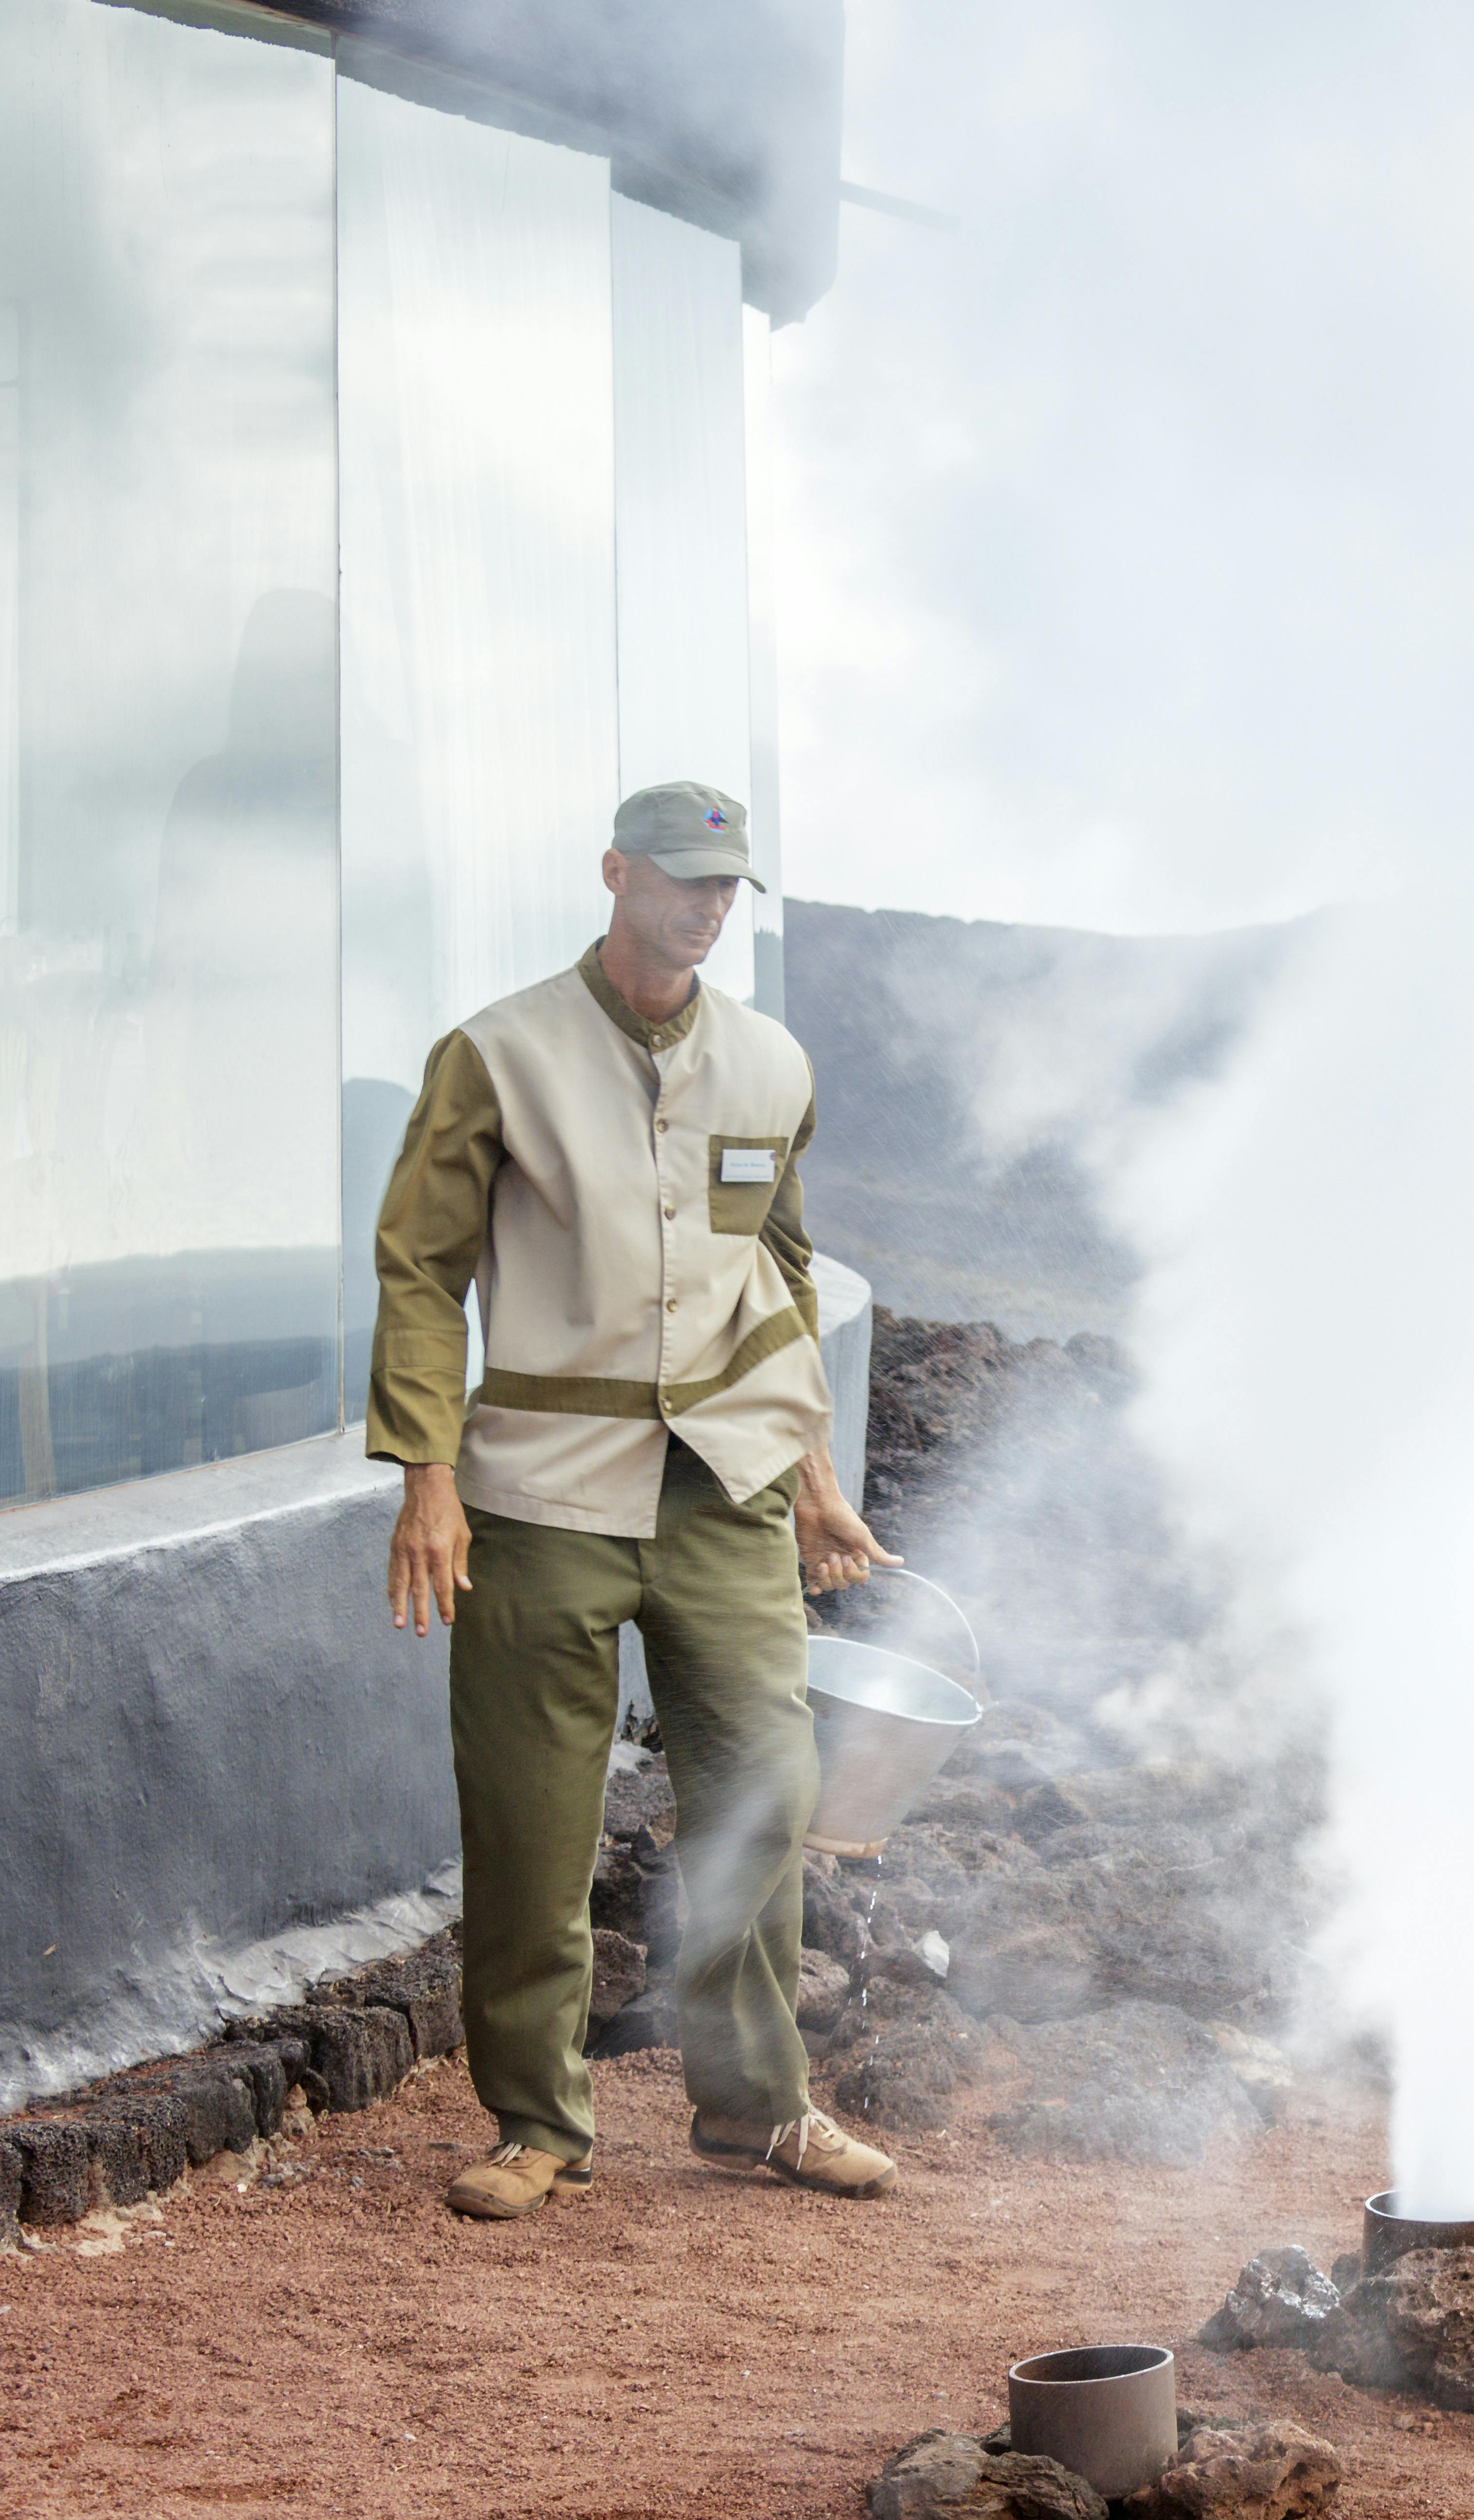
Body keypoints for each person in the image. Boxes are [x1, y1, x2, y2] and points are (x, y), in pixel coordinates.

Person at [372, 782, 905, 2221]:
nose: (705, 906)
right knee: (532, 1818)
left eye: (727, 886)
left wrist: (813, 1478)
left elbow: (778, 1277)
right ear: (614, 871)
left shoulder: (771, 1063)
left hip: (723, 1493)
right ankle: (538, 2122)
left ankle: (755, 2109)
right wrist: (428, 1478)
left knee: (760, 1796)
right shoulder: (495, 1054)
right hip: (539, 1493)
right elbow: (420, 1270)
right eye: (679, 879)